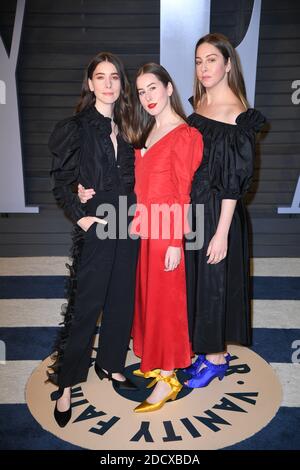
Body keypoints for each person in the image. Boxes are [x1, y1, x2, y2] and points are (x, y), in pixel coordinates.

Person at [79, 63, 203, 412]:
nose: (148, 96)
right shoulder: (148, 131)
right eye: (141, 90)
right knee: (149, 302)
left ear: (169, 88)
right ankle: (160, 365)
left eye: (153, 88)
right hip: (145, 231)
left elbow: (183, 192)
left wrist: (176, 243)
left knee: (167, 307)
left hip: (167, 233)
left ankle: (169, 378)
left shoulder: (185, 135)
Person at [47, 52, 140, 427]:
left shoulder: (130, 123)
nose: (107, 83)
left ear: (121, 83)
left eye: (114, 77)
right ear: (89, 84)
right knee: (86, 304)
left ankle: (111, 363)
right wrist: (81, 215)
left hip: (128, 221)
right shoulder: (77, 126)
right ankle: (66, 383)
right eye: (100, 77)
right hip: (97, 222)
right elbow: (59, 181)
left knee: (121, 297)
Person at [183, 33, 266, 388]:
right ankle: (205, 349)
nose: (203, 68)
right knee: (199, 282)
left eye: (211, 60)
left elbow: (234, 180)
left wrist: (221, 232)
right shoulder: (199, 104)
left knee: (216, 283)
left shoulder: (238, 115)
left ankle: (216, 359)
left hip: (220, 212)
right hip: (197, 206)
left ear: (228, 63)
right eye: (199, 61)